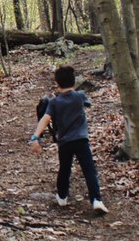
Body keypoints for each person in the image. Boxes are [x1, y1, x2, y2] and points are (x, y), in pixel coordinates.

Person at [29, 66, 107, 214]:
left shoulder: (54, 102)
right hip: (82, 140)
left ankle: (62, 197)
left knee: (64, 169)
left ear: (57, 83)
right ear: (73, 82)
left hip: (65, 142)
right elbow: (88, 104)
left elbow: (45, 119)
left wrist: (35, 137)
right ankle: (96, 200)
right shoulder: (80, 96)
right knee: (89, 170)